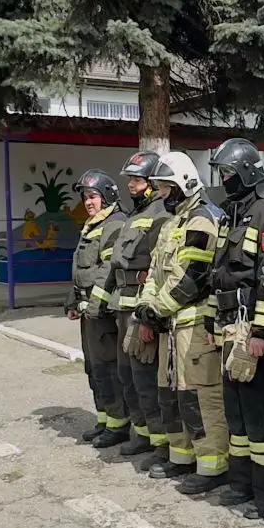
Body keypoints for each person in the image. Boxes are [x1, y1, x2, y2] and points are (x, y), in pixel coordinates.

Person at [208, 138, 264, 519]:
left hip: (254, 331)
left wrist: (263, 332)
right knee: (238, 413)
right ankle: (242, 485)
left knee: (263, 416)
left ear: (246, 171)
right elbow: (219, 275)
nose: (224, 179)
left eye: (228, 172)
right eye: (221, 173)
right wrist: (213, 324)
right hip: (230, 328)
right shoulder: (232, 213)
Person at [137, 152, 231, 495]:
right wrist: (147, 305)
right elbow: (155, 272)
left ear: (185, 184)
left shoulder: (202, 220)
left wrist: (157, 309)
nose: (161, 193)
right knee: (171, 395)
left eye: (166, 187)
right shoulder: (172, 223)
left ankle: (213, 465)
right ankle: (181, 456)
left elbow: (192, 276)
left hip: (194, 328)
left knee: (200, 397)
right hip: (170, 325)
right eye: (160, 187)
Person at [104, 152, 171, 463]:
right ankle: (141, 433)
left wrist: (148, 317)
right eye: (130, 179)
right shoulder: (135, 214)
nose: (131, 184)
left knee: (146, 378)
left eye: (137, 179)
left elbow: (157, 269)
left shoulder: (161, 214)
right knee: (128, 376)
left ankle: (161, 443)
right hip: (122, 306)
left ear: (152, 182)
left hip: (142, 310)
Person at [67, 169, 131, 447]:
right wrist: (72, 300)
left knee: (107, 368)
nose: (88, 202)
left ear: (106, 196)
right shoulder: (93, 224)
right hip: (88, 311)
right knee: (94, 368)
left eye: (93, 196)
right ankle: (104, 420)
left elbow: (108, 269)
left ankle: (118, 425)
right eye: (85, 197)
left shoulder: (114, 224)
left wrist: (95, 305)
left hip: (102, 313)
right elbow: (81, 267)